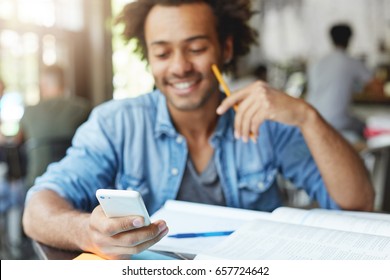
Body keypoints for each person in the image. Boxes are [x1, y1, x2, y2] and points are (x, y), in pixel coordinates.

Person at [23, 0, 373, 260]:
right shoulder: (115, 124)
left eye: (196, 48)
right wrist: (88, 232)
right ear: (148, 56)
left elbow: (357, 203)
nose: (180, 67)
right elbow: (37, 209)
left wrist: (308, 117)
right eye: (162, 53)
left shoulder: (266, 123)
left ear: (226, 48)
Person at [18, 64, 91, 189]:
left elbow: (17, 141)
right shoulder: (83, 108)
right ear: (65, 83)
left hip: (36, 183)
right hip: (74, 183)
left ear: (43, 85)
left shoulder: (29, 112)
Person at [306, 23, 373, 143]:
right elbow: (374, 84)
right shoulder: (350, 62)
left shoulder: (318, 63)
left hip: (313, 118)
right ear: (349, 39)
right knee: (366, 126)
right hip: (339, 122)